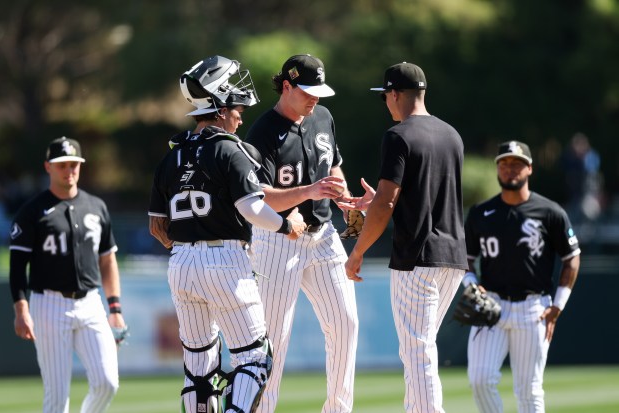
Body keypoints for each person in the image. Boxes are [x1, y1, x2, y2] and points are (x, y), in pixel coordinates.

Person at [148, 56, 306, 413]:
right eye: (236, 107)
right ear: (219, 108)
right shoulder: (230, 150)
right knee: (254, 359)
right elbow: (251, 209)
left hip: (181, 264)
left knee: (198, 371)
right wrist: (287, 225)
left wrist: (190, 242)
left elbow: (157, 227)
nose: (240, 114)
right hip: (225, 262)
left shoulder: (171, 157)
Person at [343, 62, 468, 413]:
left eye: (385, 95)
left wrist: (357, 251)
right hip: (454, 258)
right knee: (422, 348)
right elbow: (424, 194)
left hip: (417, 258)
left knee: (418, 351)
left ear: (395, 94)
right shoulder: (451, 135)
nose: (385, 102)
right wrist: (377, 202)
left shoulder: (398, 135)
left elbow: (386, 202)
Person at [244, 54, 359, 413]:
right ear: (287, 86)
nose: (315, 99)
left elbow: (333, 166)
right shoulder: (262, 131)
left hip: (323, 236)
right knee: (273, 338)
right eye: (307, 91)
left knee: (346, 324)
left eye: (319, 91)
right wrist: (309, 191)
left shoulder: (322, 116)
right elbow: (258, 197)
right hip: (278, 240)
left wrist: (345, 198)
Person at [9, 136, 126, 413]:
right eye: (62, 165)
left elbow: (108, 260)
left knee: (108, 382)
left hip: (90, 302)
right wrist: (21, 309)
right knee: (57, 396)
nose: (69, 170)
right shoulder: (32, 212)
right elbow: (17, 267)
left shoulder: (96, 207)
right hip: (49, 303)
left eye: (74, 164)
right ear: (48, 167)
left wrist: (115, 306)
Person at [462, 140, 581, 413]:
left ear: (529, 169)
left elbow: (571, 257)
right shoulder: (481, 213)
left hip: (533, 306)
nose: (509, 169)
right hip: (489, 302)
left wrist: (558, 304)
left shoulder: (550, 212)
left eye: (516, 164)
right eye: (503, 164)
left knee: (528, 390)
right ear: (497, 169)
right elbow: (465, 259)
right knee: (479, 380)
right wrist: (470, 284)